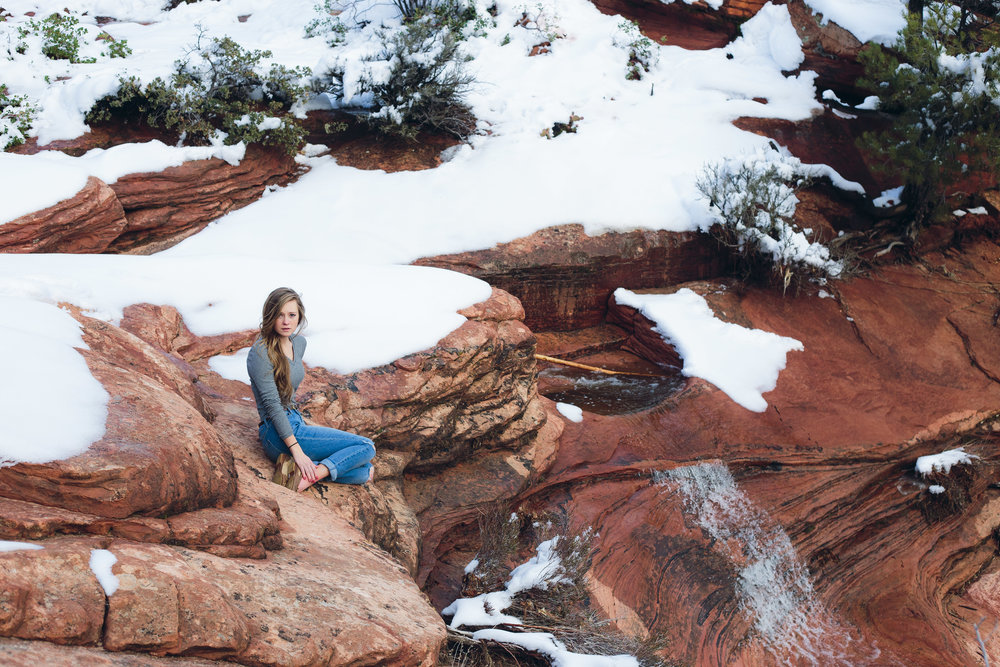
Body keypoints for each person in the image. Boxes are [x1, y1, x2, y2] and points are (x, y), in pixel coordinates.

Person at [247, 287, 375, 491]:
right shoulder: (260, 353)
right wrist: (297, 451)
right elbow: (272, 406)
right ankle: (315, 474)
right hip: (276, 434)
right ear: (270, 316)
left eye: (291, 315)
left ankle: (300, 473)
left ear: (299, 317)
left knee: (365, 471)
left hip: (295, 421)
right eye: (280, 315)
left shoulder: (298, 343)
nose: (286, 321)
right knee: (366, 447)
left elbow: (289, 394)